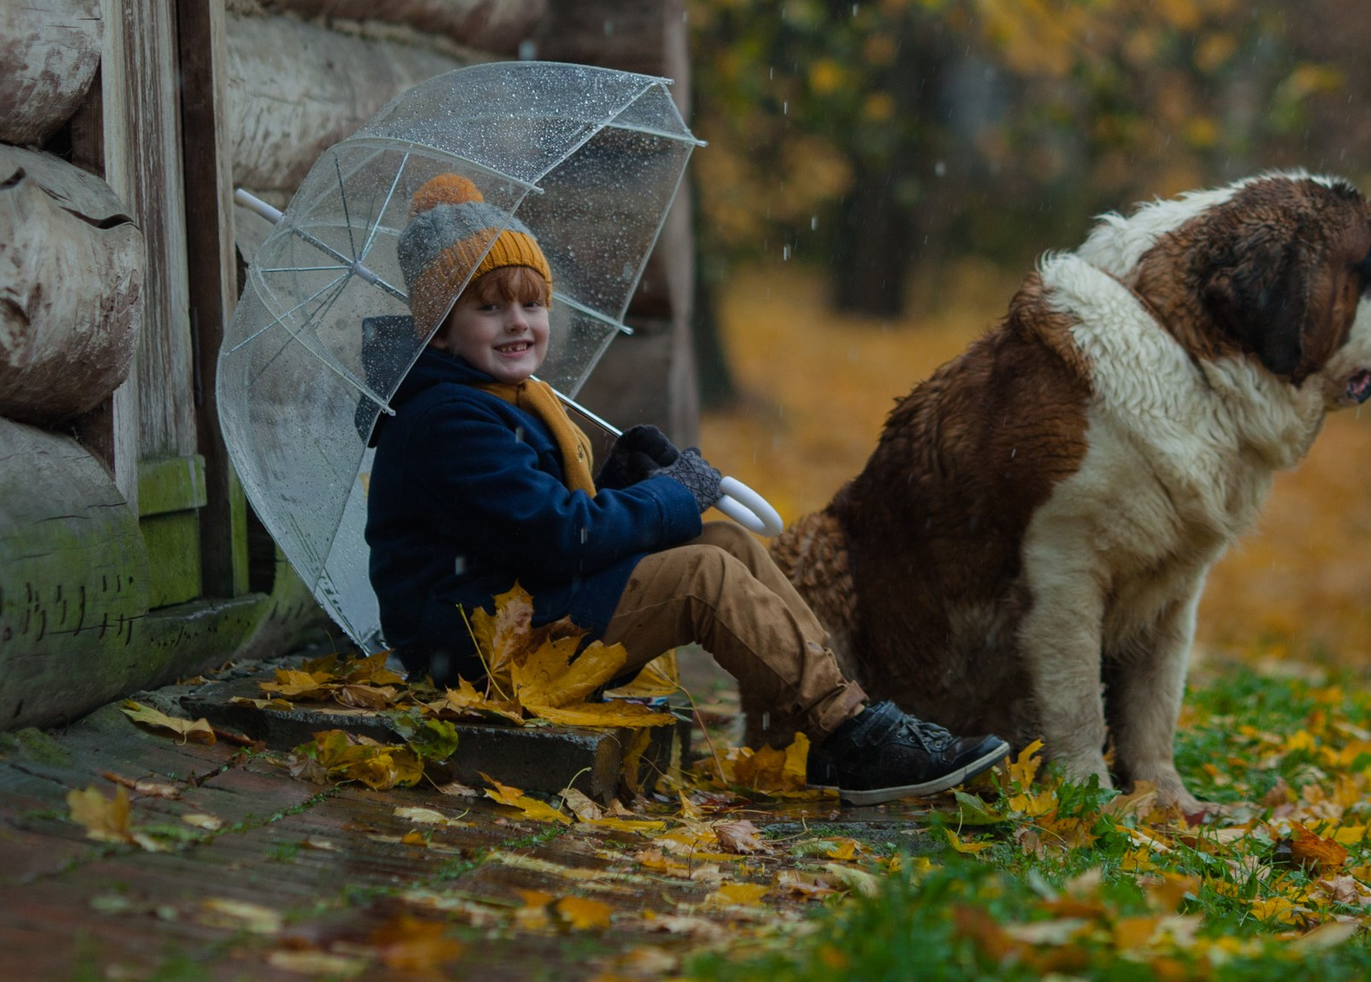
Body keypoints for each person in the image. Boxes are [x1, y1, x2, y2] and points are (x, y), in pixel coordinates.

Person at [365, 172, 1009, 804]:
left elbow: (529, 522)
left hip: (523, 603)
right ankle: (851, 733)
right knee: (703, 576)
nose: (517, 323)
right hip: (480, 650)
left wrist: (624, 477)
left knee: (727, 543)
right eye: (489, 308)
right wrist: (670, 494)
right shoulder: (448, 419)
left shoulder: (498, 396)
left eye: (531, 305)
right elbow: (558, 536)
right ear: (440, 328)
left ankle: (832, 724)